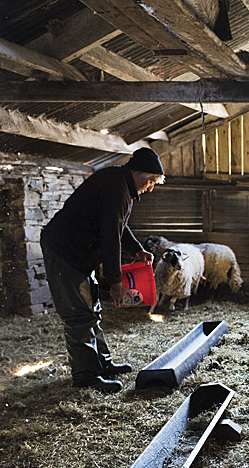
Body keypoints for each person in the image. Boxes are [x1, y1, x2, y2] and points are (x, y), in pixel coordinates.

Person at [40, 147, 164, 392]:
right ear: (137, 172)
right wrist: (115, 282)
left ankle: (102, 364)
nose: (150, 187)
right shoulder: (117, 188)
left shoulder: (121, 185)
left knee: (92, 310)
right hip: (66, 251)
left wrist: (136, 250)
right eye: (150, 181)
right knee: (79, 315)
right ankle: (86, 376)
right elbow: (110, 237)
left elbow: (118, 226)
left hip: (80, 253)